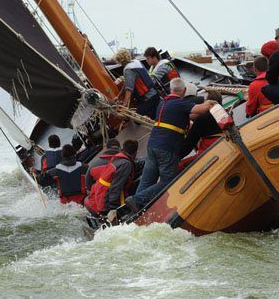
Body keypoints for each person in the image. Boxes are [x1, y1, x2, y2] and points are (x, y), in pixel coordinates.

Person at [125, 78, 215, 212]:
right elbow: (202, 109)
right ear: (183, 91)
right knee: (168, 182)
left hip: (152, 146)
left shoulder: (163, 104)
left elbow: (186, 116)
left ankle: (136, 207)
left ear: (171, 90)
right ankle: (137, 200)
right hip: (167, 148)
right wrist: (209, 101)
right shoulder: (180, 103)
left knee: (147, 180)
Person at [84, 139, 138, 216]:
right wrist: (114, 208)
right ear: (120, 148)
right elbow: (116, 186)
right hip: (108, 201)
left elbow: (89, 191)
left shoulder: (93, 167)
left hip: (99, 200)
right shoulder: (124, 162)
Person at [178, 90, 224, 169]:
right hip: (224, 146)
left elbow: (189, 143)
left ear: (207, 102)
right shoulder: (224, 113)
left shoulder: (202, 119)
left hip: (210, 152)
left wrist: (176, 157)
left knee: (179, 166)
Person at [113, 49, 160, 119]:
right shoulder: (137, 63)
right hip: (155, 95)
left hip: (148, 99)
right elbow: (126, 83)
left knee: (136, 119)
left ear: (120, 61)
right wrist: (118, 95)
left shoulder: (128, 70)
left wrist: (124, 105)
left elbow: (129, 89)